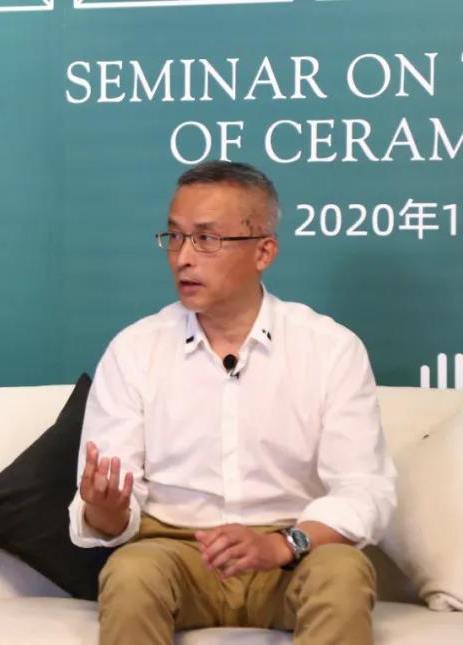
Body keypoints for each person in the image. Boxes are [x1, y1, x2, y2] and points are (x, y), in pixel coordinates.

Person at [68, 160, 396, 645]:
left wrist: (282, 544)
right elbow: (110, 516)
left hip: (291, 555)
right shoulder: (135, 349)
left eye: (206, 239)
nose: (183, 257)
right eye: (175, 237)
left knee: (343, 572)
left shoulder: (330, 348)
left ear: (264, 251)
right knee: (130, 572)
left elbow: (366, 490)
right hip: (176, 553)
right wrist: (105, 510)